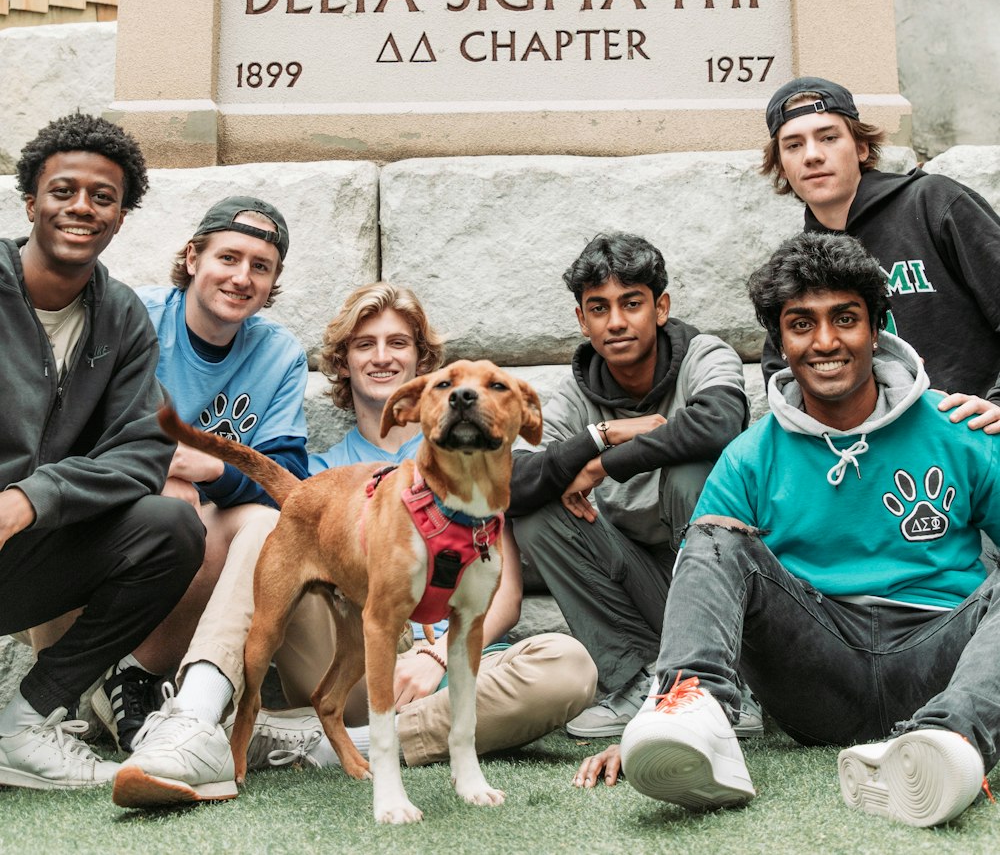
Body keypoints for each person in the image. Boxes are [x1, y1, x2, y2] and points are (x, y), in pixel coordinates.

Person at [576, 232, 1000, 829]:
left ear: (876, 327)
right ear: (780, 340)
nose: (825, 342)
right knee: (716, 535)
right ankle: (689, 712)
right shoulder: (750, 456)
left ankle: (948, 745)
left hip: (940, 659)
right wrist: (652, 718)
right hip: (813, 673)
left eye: (845, 319)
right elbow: (704, 592)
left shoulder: (959, 428)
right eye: (802, 324)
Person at [305, 281, 598, 768]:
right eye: (364, 345)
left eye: (398, 343)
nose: (382, 358)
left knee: (568, 666)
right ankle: (395, 730)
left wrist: (437, 655)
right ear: (342, 363)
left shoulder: (476, 459)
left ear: (422, 363)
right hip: (374, 662)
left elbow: (503, 595)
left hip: (462, 658)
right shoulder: (322, 477)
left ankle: (367, 744)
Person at [0, 112, 204, 790]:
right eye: (64, 191)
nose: (82, 207)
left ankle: (24, 721)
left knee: (171, 528)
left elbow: (142, 452)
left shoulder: (121, 317)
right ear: (31, 200)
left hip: (25, 551)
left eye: (103, 197)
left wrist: (32, 499)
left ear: (120, 216)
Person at [106, 196, 333, 806]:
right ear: (192, 257)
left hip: (205, 559)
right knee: (174, 504)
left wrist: (211, 467)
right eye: (228, 256)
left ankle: (188, 710)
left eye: (261, 266)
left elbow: (289, 483)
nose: (242, 276)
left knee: (262, 520)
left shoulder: (278, 352)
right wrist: (164, 470)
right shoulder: (136, 317)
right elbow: (79, 434)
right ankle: (129, 681)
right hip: (107, 549)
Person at [510, 232, 749, 737]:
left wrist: (606, 462)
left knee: (691, 470)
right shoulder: (578, 393)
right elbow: (512, 480)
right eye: (599, 308)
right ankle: (641, 681)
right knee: (535, 513)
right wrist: (602, 434)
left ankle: (728, 684)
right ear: (582, 320)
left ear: (660, 308)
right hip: (641, 583)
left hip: (729, 592)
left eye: (631, 304)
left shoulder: (704, 355)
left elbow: (719, 422)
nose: (615, 322)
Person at [760, 75, 1000, 403]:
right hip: (867, 448)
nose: (812, 156)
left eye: (828, 137)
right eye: (793, 145)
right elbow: (781, 374)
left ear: (861, 147)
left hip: (969, 433)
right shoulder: (798, 263)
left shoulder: (933, 203)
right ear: (782, 167)